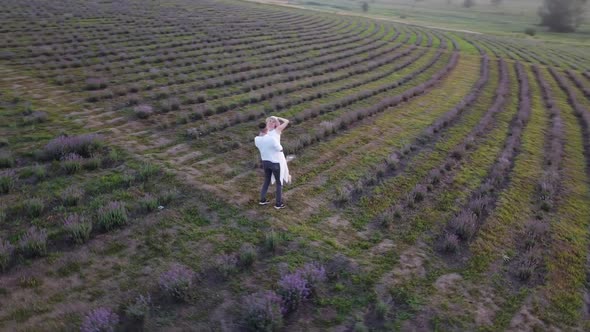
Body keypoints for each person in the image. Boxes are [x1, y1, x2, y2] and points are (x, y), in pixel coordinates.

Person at [255, 122, 285, 210]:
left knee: (266, 181)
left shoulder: (256, 139)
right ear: (267, 129)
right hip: (274, 163)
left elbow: (261, 144)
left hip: (265, 162)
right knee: (278, 183)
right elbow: (280, 148)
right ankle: (278, 204)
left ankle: (262, 200)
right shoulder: (271, 139)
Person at [265, 116, 291, 186]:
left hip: (278, 154)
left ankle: (281, 185)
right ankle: (282, 181)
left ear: (275, 124)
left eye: (273, 122)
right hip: (270, 155)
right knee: (274, 171)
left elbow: (287, 121)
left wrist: (278, 118)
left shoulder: (277, 130)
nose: (271, 123)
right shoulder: (265, 132)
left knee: (281, 169)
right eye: (270, 121)